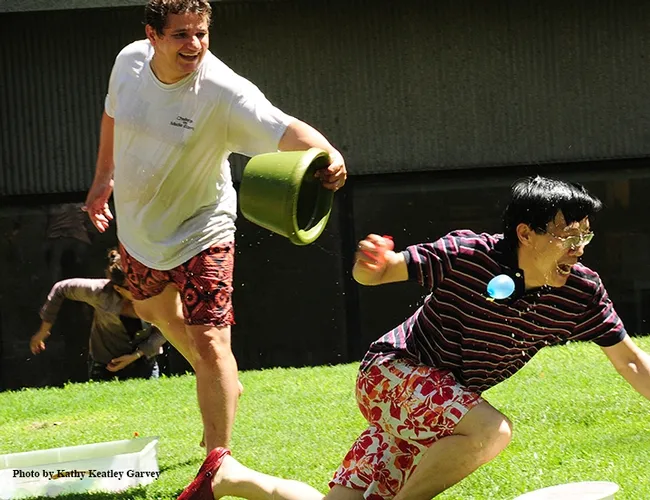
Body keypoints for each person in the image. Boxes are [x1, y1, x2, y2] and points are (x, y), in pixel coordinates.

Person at [176, 176, 650, 500]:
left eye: (585, 237)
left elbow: (629, 360)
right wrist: (372, 265)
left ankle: (228, 477)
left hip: (443, 409)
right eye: (569, 235)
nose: (579, 248)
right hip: (393, 375)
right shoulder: (471, 254)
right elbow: (380, 273)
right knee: (491, 430)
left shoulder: (582, 292)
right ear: (526, 233)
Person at [83, 0, 346, 462]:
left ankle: (216, 463)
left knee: (210, 340)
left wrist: (328, 152)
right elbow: (112, 115)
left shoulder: (224, 91)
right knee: (150, 309)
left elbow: (283, 127)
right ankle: (222, 376)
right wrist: (103, 177)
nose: (194, 44)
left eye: (201, 33)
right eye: (181, 34)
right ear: (153, 35)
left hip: (204, 226)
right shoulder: (128, 63)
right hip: (140, 227)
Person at [30, 250, 166, 381]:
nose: (140, 290)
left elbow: (167, 329)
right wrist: (44, 330)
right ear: (118, 288)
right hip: (105, 366)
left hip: (145, 363)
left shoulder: (152, 293)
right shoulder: (100, 292)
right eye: (132, 287)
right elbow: (61, 288)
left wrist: (135, 355)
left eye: (140, 283)